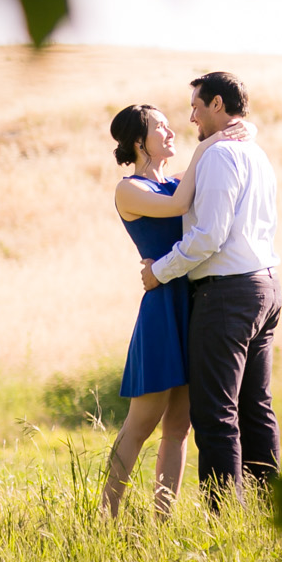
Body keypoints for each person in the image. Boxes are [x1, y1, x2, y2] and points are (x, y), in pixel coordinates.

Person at [139, 71, 282, 504]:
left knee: (215, 412)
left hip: (227, 294)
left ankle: (226, 518)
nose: (192, 118)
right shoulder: (256, 153)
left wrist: (159, 271)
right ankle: (266, 511)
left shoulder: (221, 157)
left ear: (218, 104)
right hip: (266, 287)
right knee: (255, 407)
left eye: (198, 108)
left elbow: (209, 236)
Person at [101, 102, 245, 517]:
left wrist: (232, 138)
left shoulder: (174, 180)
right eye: (159, 127)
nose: (171, 131)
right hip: (163, 309)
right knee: (140, 424)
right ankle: (106, 519)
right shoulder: (130, 189)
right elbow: (183, 204)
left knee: (179, 427)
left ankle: (162, 520)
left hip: (193, 302)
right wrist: (209, 145)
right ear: (137, 141)